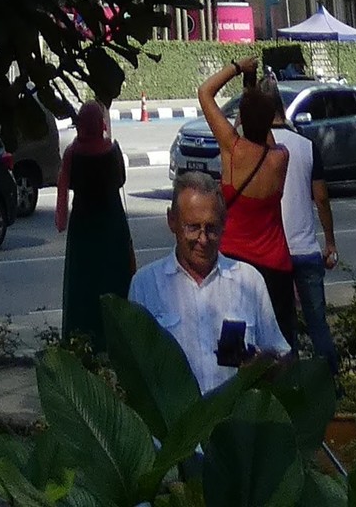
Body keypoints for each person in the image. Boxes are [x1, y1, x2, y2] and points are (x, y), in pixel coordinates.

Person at [132, 168, 287, 391]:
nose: (203, 239)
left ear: (224, 224)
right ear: (172, 221)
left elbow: (282, 355)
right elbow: (134, 370)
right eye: (193, 227)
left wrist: (263, 363)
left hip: (237, 419)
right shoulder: (145, 286)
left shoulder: (249, 280)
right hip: (176, 423)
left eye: (211, 228)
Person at [196, 66, 297, 345]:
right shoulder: (280, 158)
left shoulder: (233, 150)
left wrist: (239, 68)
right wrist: (251, 94)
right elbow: (265, 138)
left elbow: (205, 92)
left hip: (235, 262)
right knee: (279, 345)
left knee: (234, 347)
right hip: (275, 265)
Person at [270, 88, 338, 372]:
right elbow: (321, 197)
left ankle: (293, 387)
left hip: (273, 254)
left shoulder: (255, 149)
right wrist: (330, 242)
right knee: (317, 324)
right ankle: (330, 384)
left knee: (285, 330)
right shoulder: (305, 145)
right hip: (306, 250)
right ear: (282, 108)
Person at [56, 101, 135, 345]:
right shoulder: (112, 150)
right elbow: (120, 180)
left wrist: (61, 220)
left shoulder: (72, 153)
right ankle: (116, 338)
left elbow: (62, 188)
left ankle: (81, 340)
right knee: (113, 278)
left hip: (83, 225)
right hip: (112, 223)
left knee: (82, 285)